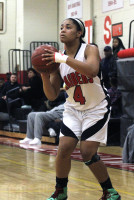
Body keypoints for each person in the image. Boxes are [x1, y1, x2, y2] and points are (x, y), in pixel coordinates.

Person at [40, 18, 121, 199]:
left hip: (96, 108)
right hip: (73, 109)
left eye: (68, 27)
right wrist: (45, 76)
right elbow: (52, 95)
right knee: (63, 150)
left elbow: (91, 70)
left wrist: (64, 59)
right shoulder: (58, 60)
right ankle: (61, 191)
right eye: (61, 27)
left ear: (79, 33)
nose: (63, 30)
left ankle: (110, 191)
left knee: (87, 152)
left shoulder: (89, 49)